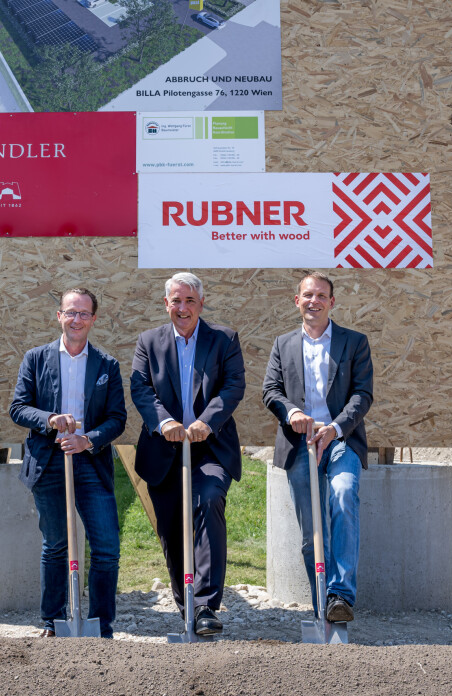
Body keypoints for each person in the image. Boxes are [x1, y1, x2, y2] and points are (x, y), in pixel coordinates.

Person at [130, 272, 246, 636]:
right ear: (167, 304)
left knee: (208, 500)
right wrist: (163, 422)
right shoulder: (149, 341)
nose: (183, 308)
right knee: (171, 528)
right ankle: (188, 605)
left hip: (209, 448)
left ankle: (207, 605)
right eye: (176, 301)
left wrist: (207, 421)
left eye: (190, 301)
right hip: (163, 451)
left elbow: (233, 385)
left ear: (201, 303)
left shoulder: (223, 339)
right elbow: (140, 387)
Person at [10, 287, 126, 638]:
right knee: (56, 545)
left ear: (94, 319)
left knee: (106, 547)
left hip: (91, 463)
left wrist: (87, 439)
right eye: (70, 312)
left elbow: (117, 419)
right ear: (59, 316)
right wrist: (49, 419)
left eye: (84, 313)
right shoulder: (36, 358)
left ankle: (101, 626)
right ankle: (53, 622)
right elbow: (18, 408)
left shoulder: (107, 365)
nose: (77, 319)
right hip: (49, 462)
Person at [261, 272, 373, 622]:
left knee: (343, 495)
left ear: (332, 302)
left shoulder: (354, 342)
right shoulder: (283, 344)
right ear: (297, 301)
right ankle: (323, 606)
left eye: (321, 295)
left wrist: (336, 428)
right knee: (312, 534)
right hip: (300, 446)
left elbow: (362, 394)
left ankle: (340, 594)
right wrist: (292, 412)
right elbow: (270, 391)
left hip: (341, 441)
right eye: (307, 295)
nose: (314, 301)